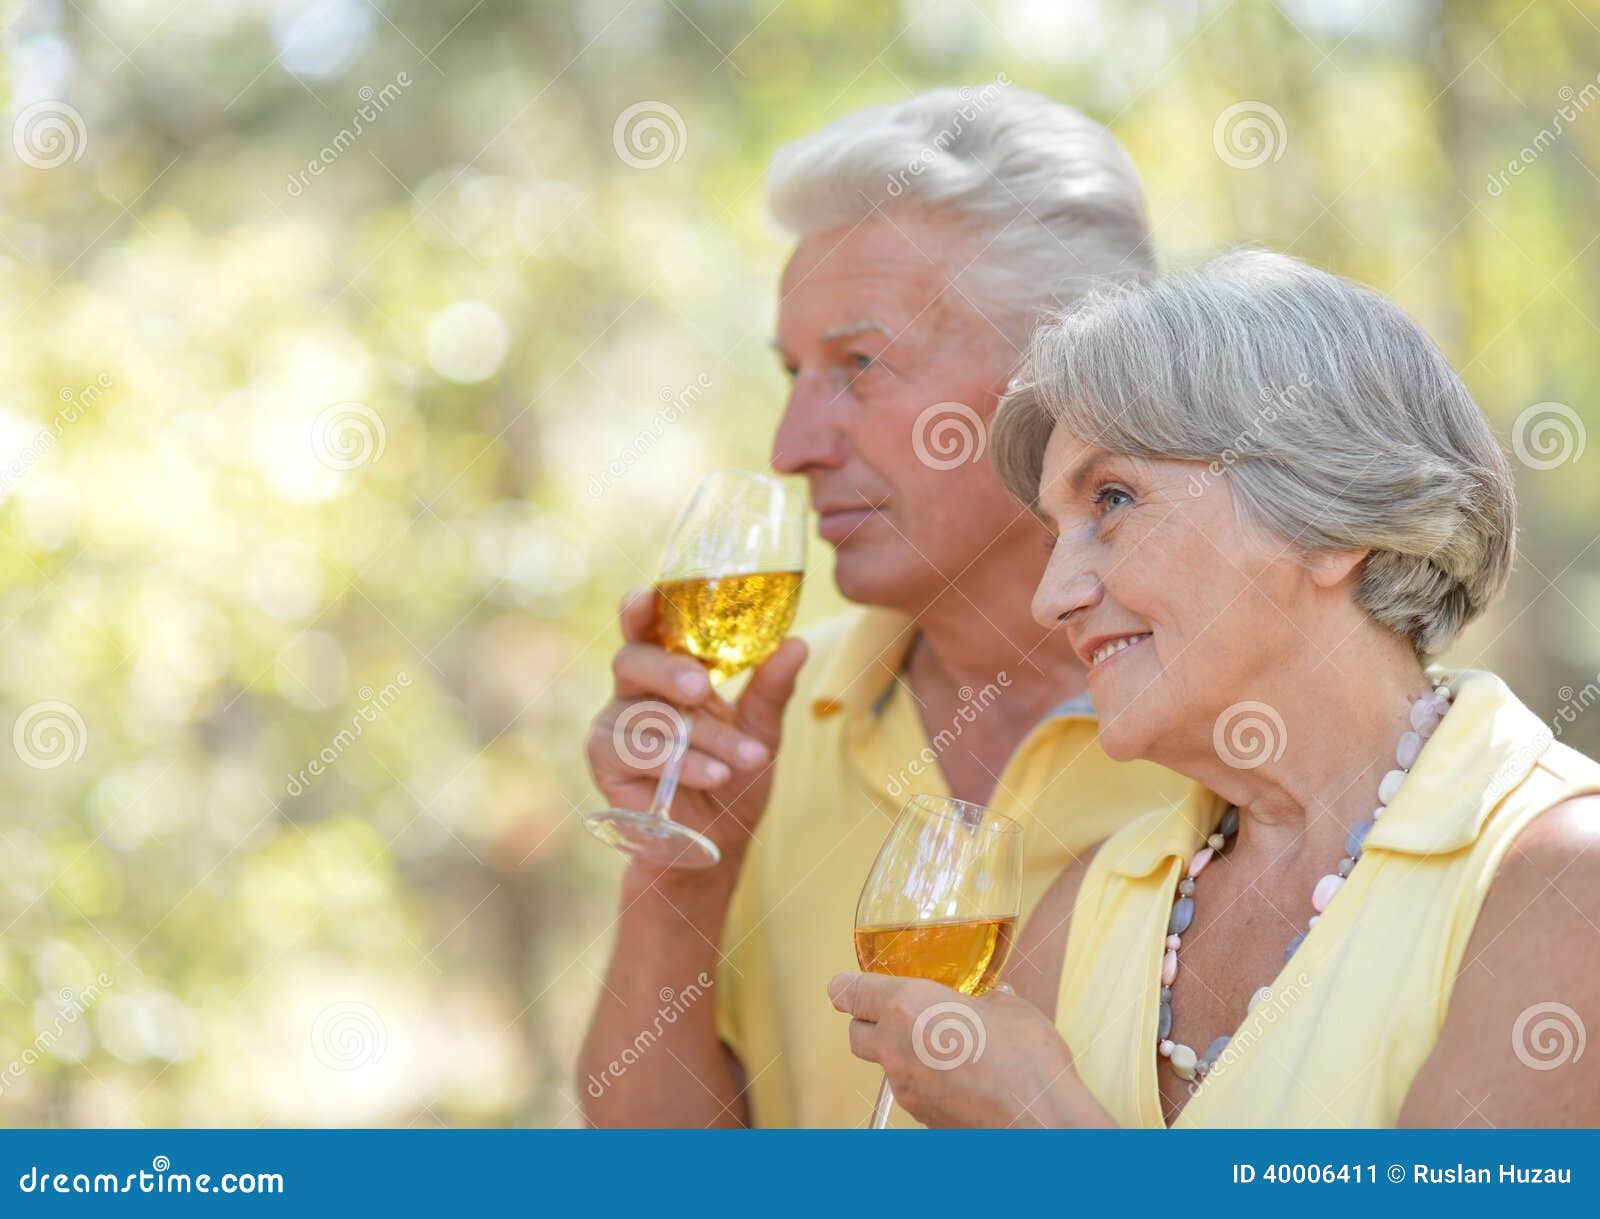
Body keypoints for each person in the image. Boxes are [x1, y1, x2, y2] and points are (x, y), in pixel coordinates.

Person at [828, 249, 1600, 1127]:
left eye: (1113, 500)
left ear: (1327, 520)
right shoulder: (1090, 904)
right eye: (1055, 537)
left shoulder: (1564, 876)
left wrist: (1037, 1133)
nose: (1053, 597)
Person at [578, 86, 1197, 1128]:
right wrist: (682, 873)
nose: (792, 447)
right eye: (792, 373)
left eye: (858, 365)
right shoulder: (763, 723)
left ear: (1060, 379)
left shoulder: (1238, 727)